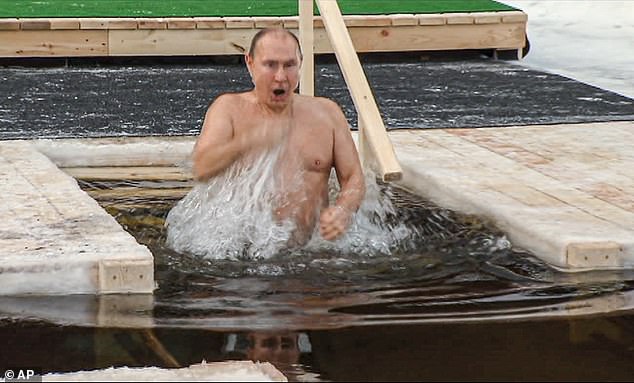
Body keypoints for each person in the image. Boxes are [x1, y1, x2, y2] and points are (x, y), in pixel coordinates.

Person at [191, 28, 365, 245]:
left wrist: (343, 210)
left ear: (300, 63)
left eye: (289, 65)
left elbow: (353, 177)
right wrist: (248, 141)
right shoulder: (228, 109)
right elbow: (200, 169)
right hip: (244, 255)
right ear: (250, 63)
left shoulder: (327, 113)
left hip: (312, 255)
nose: (281, 76)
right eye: (270, 65)